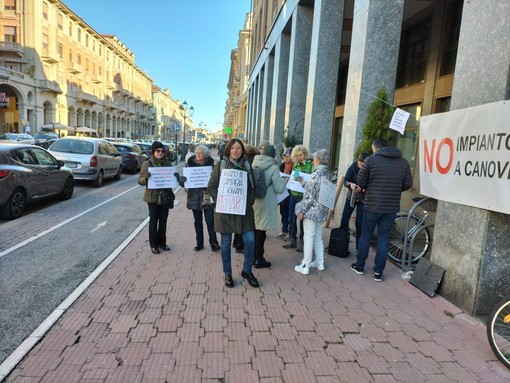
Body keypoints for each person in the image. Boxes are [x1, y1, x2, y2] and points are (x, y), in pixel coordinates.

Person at [351, 138, 412, 282]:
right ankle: (378, 273)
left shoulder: (371, 160)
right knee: (383, 239)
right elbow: (407, 184)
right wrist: (395, 188)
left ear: (375, 148)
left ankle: (360, 266)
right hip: (391, 207)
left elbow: (360, 181)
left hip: (372, 205)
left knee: (366, 236)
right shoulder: (403, 162)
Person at [207, 138, 259, 288]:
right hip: (226, 212)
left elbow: (253, 187)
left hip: (244, 212)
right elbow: (211, 186)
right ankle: (227, 273)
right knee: (225, 244)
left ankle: (247, 271)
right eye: (233, 148)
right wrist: (221, 199)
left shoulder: (248, 166)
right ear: (229, 150)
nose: (235, 151)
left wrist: (249, 201)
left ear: (242, 151)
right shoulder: (221, 165)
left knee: (250, 240)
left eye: (238, 148)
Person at [294, 149, 332, 275]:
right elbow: (315, 191)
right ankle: (320, 262)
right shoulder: (327, 174)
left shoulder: (316, 174)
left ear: (319, 160)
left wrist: (302, 211)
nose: (313, 161)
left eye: (314, 158)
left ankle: (305, 265)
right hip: (321, 212)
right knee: (318, 237)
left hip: (311, 212)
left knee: (308, 237)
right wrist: (302, 181)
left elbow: (309, 195)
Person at [177, 145, 220, 252]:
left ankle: (214, 243)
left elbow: (217, 181)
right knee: (197, 221)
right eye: (196, 153)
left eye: (200, 153)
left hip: (207, 196)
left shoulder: (212, 166)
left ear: (205, 155)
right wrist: (181, 180)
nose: (198, 155)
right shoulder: (189, 165)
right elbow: (184, 184)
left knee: (210, 221)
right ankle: (199, 243)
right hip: (194, 197)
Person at [252, 145, 288, 268]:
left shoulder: (253, 164)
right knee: (261, 231)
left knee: (254, 229)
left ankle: (252, 256)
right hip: (266, 202)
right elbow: (279, 188)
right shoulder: (273, 168)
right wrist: (284, 181)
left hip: (254, 201)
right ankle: (259, 259)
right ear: (272, 155)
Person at [138, 141, 173, 254]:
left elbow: (172, 180)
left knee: (163, 220)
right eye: (158, 151)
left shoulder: (168, 164)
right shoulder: (147, 164)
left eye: (162, 151)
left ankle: (162, 242)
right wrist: (146, 178)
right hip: (152, 196)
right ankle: (153, 245)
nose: (160, 153)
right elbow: (140, 181)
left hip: (165, 196)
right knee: (153, 221)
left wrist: (176, 177)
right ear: (153, 152)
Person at [283, 145, 313, 252]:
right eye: (297, 155)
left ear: (305, 155)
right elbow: (294, 177)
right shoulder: (295, 165)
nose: (299, 157)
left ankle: (302, 242)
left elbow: (310, 179)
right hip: (294, 194)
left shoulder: (310, 165)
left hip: (303, 196)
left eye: (301, 155)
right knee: (292, 217)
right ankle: (292, 239)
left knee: (302, 220)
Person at [339, 152, 370, 251]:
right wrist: (350, 185)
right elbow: (346, 180)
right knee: (344, 219)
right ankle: (341, 244)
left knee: (359, 223)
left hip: (363, 199)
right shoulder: (353, 166)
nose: (359, 166)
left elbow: (371, 186)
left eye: (362, 165)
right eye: (359, 163)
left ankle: (358, 249)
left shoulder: (370, 170)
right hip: (351, 196)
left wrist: (362, 189)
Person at [232, 144, 259, 254]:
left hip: (237, 195)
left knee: (238, 220)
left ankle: (235, 242)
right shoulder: (249, 163)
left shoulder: (240, 161)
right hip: (244, 195)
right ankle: (239, 245)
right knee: (244, 222)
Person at [276, 147, 293, 240]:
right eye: (285, 156)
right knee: (283, 212)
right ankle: (284, 230)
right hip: (283, 192)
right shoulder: (282, 166)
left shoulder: (295, 166)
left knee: (290, 213)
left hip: (291, 193)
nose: (286, 158)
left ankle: (290, 233)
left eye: (288, 156)